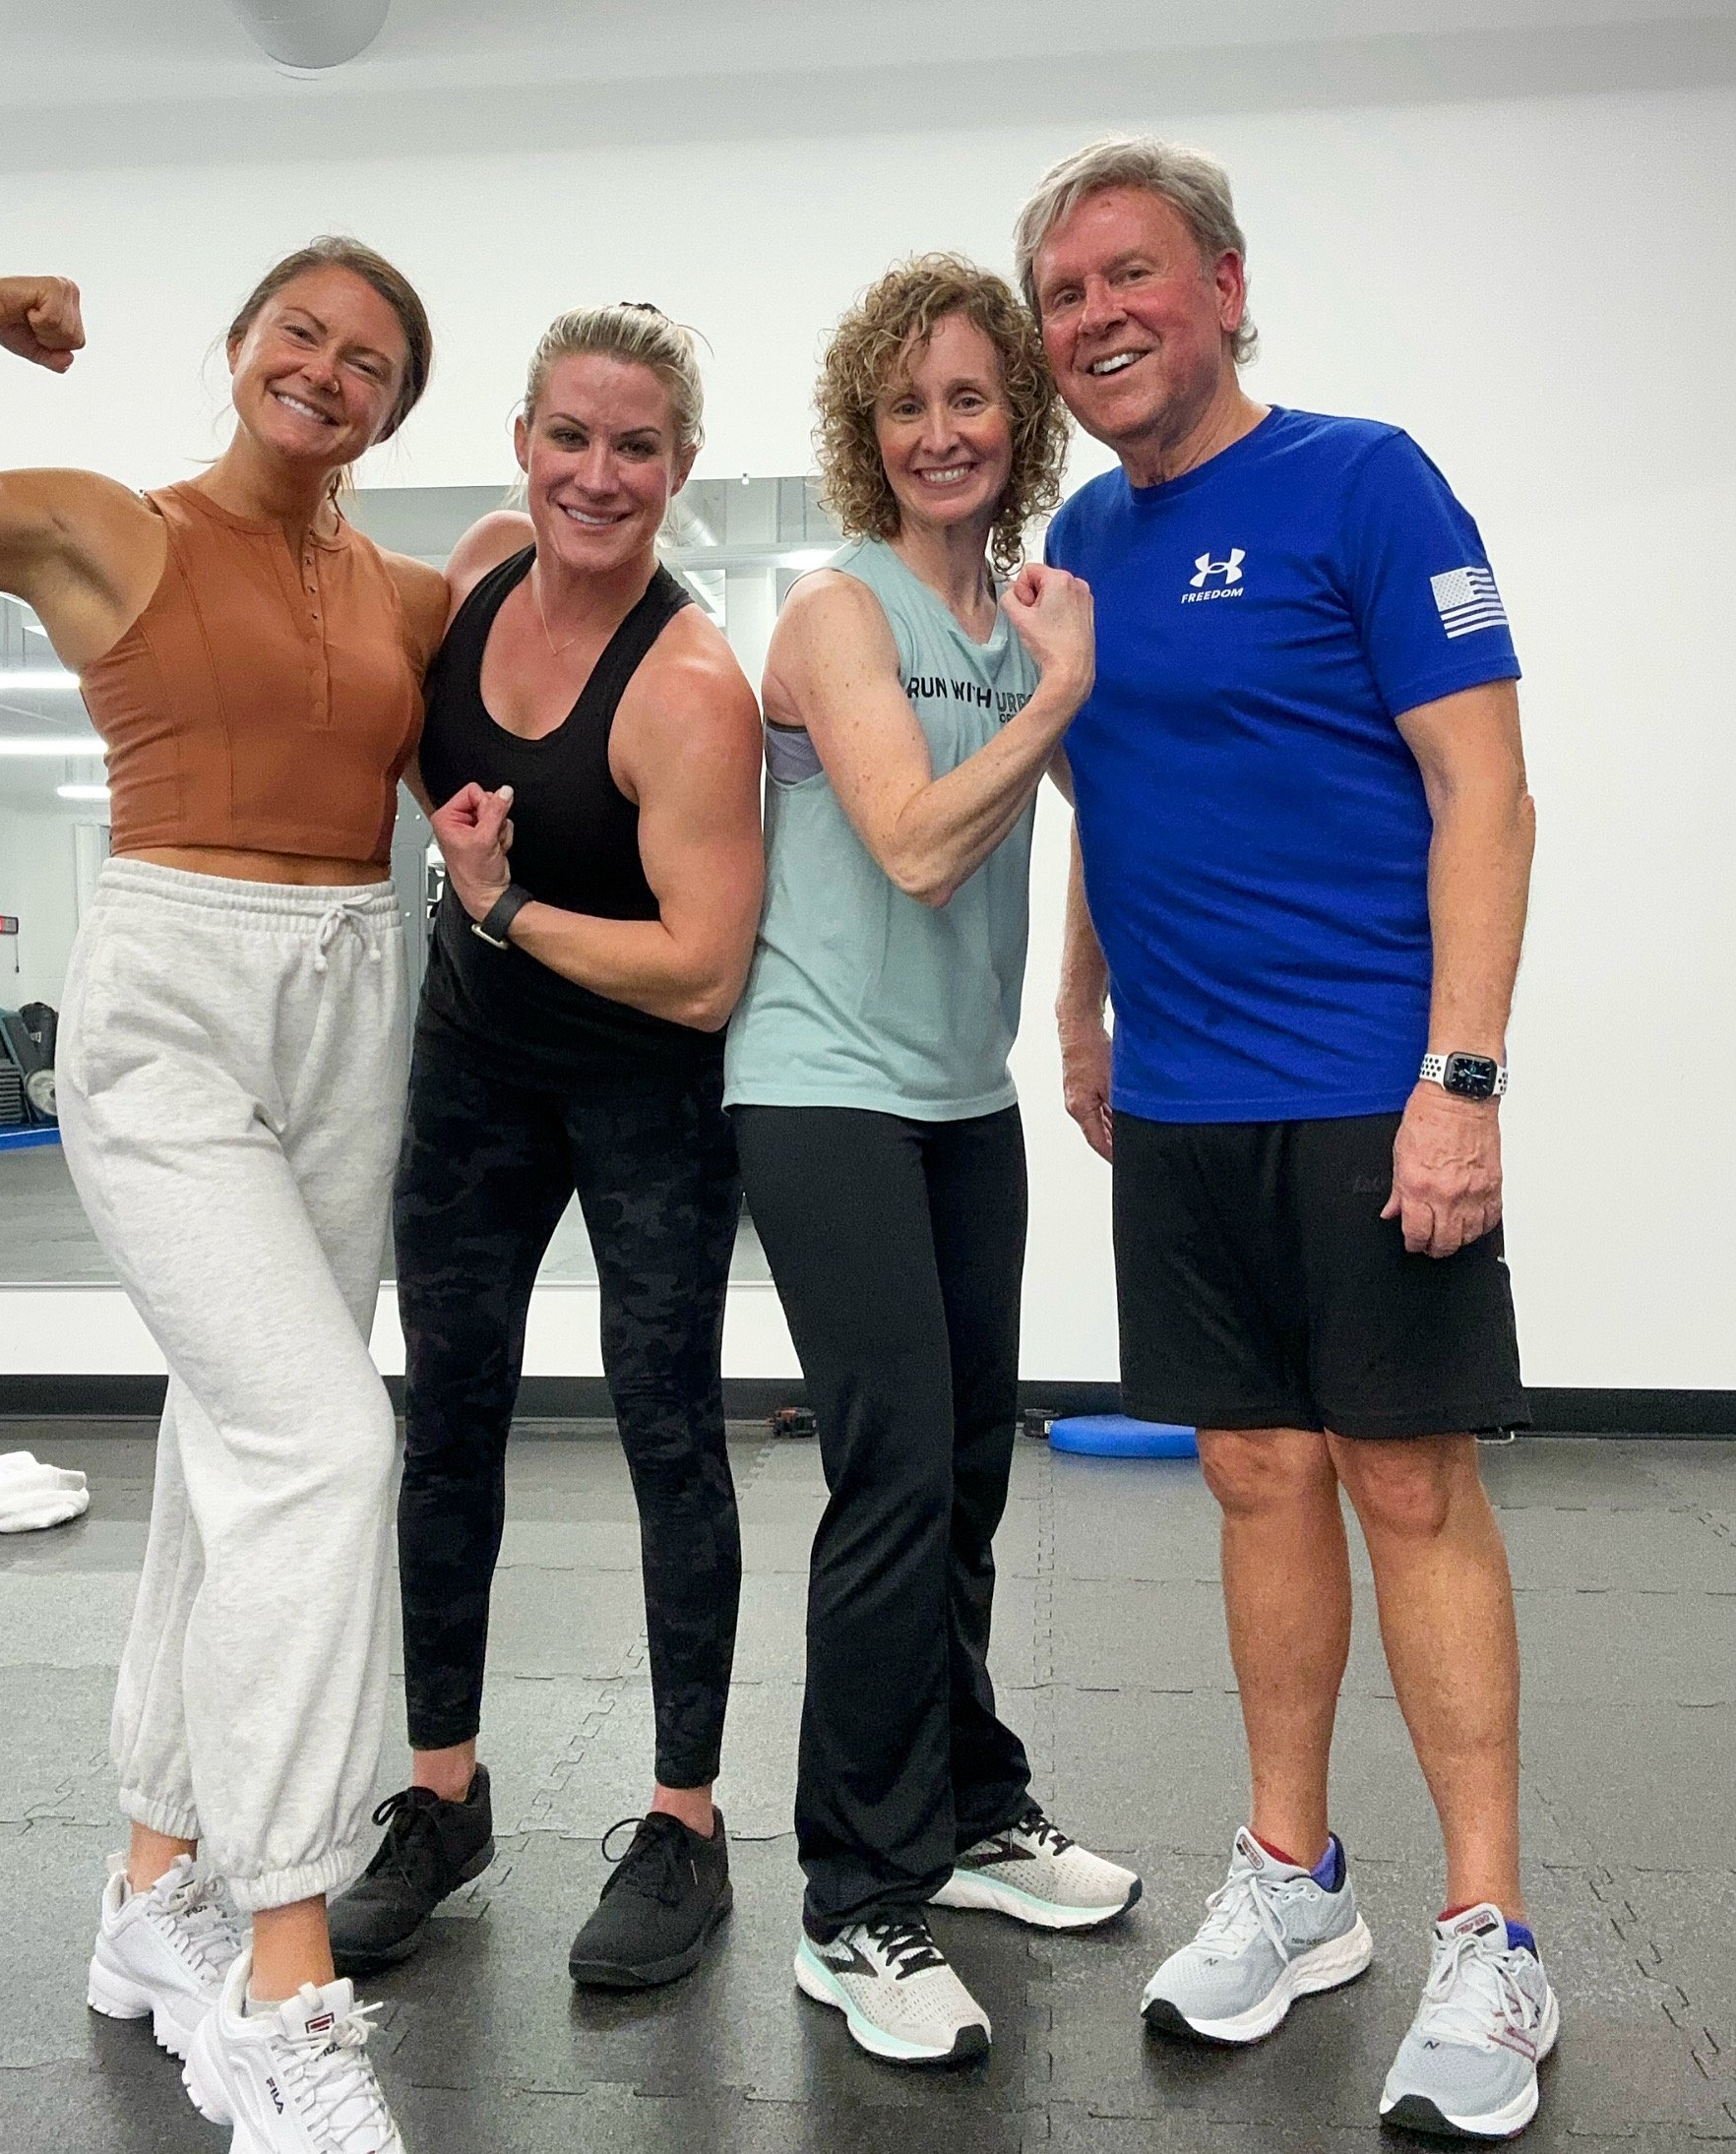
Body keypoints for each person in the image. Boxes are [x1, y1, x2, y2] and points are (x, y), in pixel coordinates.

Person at [0, 241, 449, 2154]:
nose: (327, 373)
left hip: (359, 991)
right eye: (301, 335)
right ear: (244, 345)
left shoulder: (411, 597)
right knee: (329, 1448)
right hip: (174, 994)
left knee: (235, 1446)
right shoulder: (113, 530)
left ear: (396, 406)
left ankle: (146, 1889)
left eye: (368, 361)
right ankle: (278, 1976)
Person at [1016, 137, 1554, 2138]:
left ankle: (1491, 1933)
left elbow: (1486, 792)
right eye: (1066, 293)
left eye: (1132, 275)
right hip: (1184, 1096)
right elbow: (1107, 795)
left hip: (1365, 1080)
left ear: (1227, 285)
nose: (1098, 318)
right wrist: (1078, 1010)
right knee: (1251, 1475)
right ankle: (1296, 1880)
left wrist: (1463, 1077)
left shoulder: (1362, 476)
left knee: (1404, 1486)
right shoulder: (1085, 529)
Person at [723, 256, 1142, 2068]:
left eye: (973, 398)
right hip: (817, 1088)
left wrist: (1073, 1020)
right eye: (908, 405)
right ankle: (852, 1900)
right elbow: (906, 842)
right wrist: (1059, 695)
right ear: (866, 432)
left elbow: (1112, 828)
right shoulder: (837, 613)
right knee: (892, 1471)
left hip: (960, 1102)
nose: (943, 430)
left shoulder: (1030, 614)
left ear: (1018, 418)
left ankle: (970, 1806)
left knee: (969, 1465)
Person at [326, 304, 763, 1994]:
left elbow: (705, 968)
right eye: (570, 435)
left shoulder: (695, 684)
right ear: (521, 441)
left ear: (678, 467)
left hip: (645, 1088)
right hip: (473, 1072)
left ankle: (685, 1822)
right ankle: (443, 1796)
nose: (598, 473)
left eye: (636, 446)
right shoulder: (483, 565)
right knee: (449, 1426)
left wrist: (500, 900)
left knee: (667, 1433)